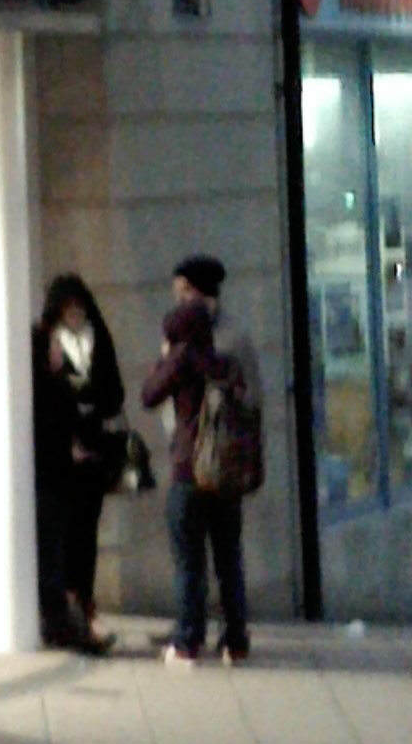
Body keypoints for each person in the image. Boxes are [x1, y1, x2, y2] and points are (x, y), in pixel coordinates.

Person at [139, 253, 259, 667]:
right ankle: (235, 638)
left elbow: (149, 394)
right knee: (228, 557)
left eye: (183, 294)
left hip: (191, 467)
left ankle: (188, 638)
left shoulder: (188, 351)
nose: (177, 303)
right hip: (224, 470)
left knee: (189, 560)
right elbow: (251, 401)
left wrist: (168, 356)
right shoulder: (229, 353)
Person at [33, 273, 126, 652]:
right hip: (60, 457)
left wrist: (91, 399)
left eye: (79, 308)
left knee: (85, 533)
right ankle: (67, 612)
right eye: (68, 309)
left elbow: (114, 392)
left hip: (91, 452)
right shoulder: (46, 344)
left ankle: (83, 605)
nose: (74, 315)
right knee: (61, 536)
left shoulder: (97, 338)